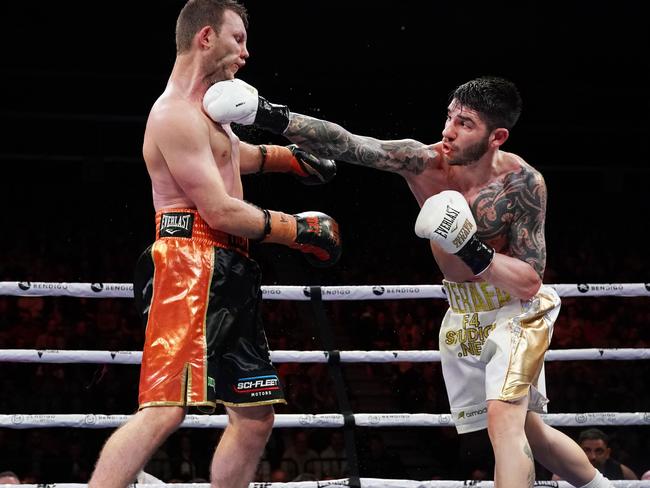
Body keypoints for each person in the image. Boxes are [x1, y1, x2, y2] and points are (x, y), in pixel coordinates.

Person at [203, 75, 614, 488]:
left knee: (504, 421)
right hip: (465, 309)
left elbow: (529, 282)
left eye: (465, 123)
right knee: (531, 431)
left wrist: (471, 249)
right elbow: (351, 144)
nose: (447, 131)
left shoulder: (522, 184)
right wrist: (269, 115)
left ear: (497, 136)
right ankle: (603, 486)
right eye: (449, 116)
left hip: (516, 309)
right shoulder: (423, 162)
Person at [88, 2, 341, 488]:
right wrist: (300, 229)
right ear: (206, 37)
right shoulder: (173, 115)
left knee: (254, 416)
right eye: (238, 38)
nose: (246, 52)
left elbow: (230, 155)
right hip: (191, 262)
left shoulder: (208, 108)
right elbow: (220, 210)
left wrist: (291, 159)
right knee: (164, 410)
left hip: (229, 266)